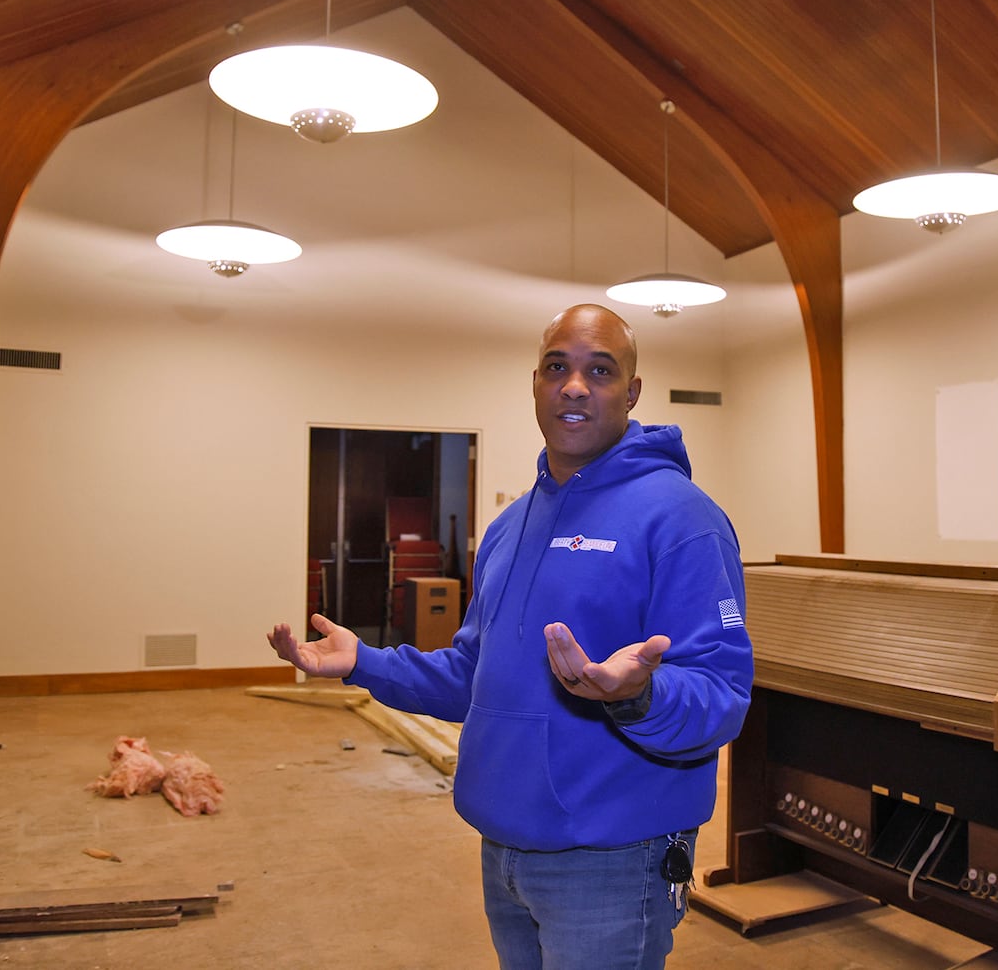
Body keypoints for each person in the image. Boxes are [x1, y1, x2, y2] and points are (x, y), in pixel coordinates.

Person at [268, 303, 752, 969]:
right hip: (503, 847)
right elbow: (476, 674)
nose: (574, 386)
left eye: (599, 370)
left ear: (632, 392)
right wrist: (367, 662)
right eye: (558, 367)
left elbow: (722, 695)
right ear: (535, 383)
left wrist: (636, 694)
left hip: (613, 856)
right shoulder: (509, 526)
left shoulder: (683, 519)